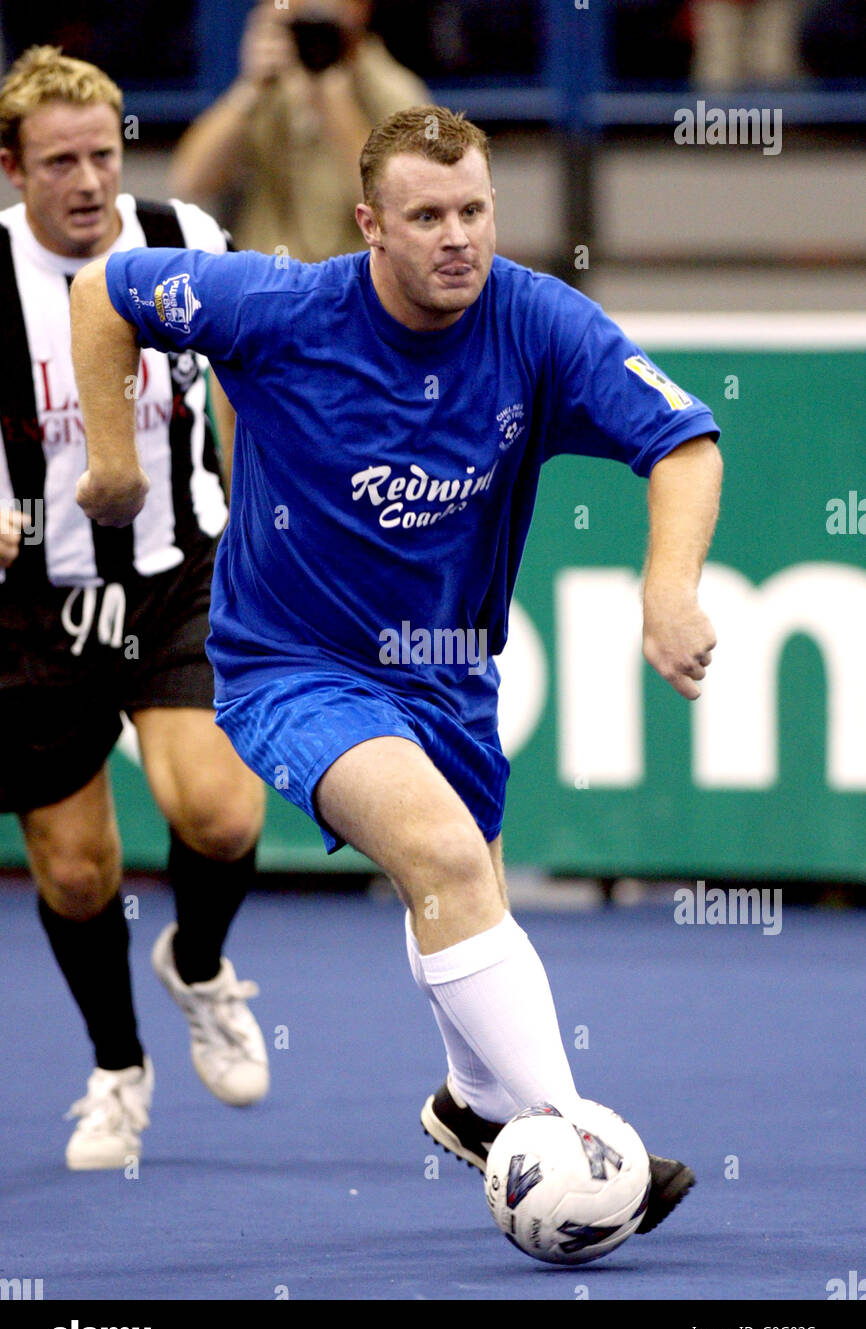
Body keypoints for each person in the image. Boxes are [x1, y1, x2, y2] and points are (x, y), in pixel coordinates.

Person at [71, 105, 724, 1238]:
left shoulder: (534, 320)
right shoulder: (280, 306)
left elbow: (683, 439)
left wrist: (667, 588)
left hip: (452, 675)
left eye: (474, 210)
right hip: (291, 666)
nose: (458, 237)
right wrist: (117, 463)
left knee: (461, 891)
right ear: (371, 224)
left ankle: (474, 1105)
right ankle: (576, 1135)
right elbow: (102, 291)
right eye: (426, 217)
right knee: (444, 855)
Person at [0, 46, 269, 1171]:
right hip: (32, 605)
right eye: (58, 161)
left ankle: (198, 965)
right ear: (12, 167)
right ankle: (119, 1068)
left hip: (178, 574)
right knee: (74, 872)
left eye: (102, 155)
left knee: (222, 816)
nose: (87, 181)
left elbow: (263, 363)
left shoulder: (182, 238)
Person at [169, 0, 428, 258]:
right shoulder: (270, 85)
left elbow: (398, 207)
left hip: (352, 276)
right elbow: (190, 182)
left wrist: (333, 100)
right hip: (269, 273)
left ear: (360, 9)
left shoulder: (392, 90)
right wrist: (249, 88)